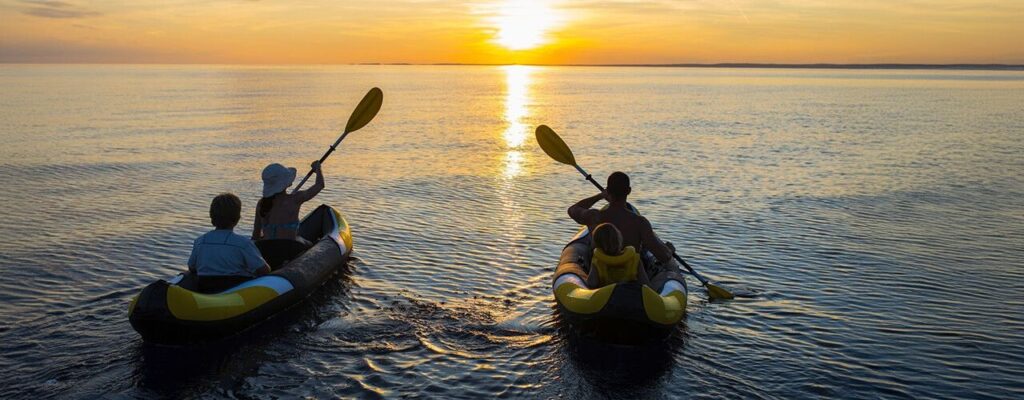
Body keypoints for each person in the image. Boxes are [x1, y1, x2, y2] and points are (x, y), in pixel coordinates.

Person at [568, 172, 676, 264]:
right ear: (629, 191)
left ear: (608, 191)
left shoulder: (594, 217)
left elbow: (572, 209)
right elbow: (664, 257)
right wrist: (669, 250)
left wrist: (600, 196)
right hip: (630, 278)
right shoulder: (640, 222)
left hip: (599, 276)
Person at [188, 193, 271, 293]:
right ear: (237, 218)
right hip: (236, 292)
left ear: (211, 217)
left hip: (206, 290)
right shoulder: (243, 244)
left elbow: (192, 267)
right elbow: (264, 270)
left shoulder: (200, 242)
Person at [252, 161, 324, 242]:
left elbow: (255, 234)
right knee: (310, 242)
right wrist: (318, 169)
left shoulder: (261, 203)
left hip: (268, 248)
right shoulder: (295, 199)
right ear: (286, 183)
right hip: (290, 247)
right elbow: (319, 185)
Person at [586, 223, 650, 288]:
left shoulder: (597, 261)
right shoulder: (634, 259)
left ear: (597, 244)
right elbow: (646, 284)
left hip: (607, 296)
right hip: (629, 295)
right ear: (619, 240)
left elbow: (591, 284)